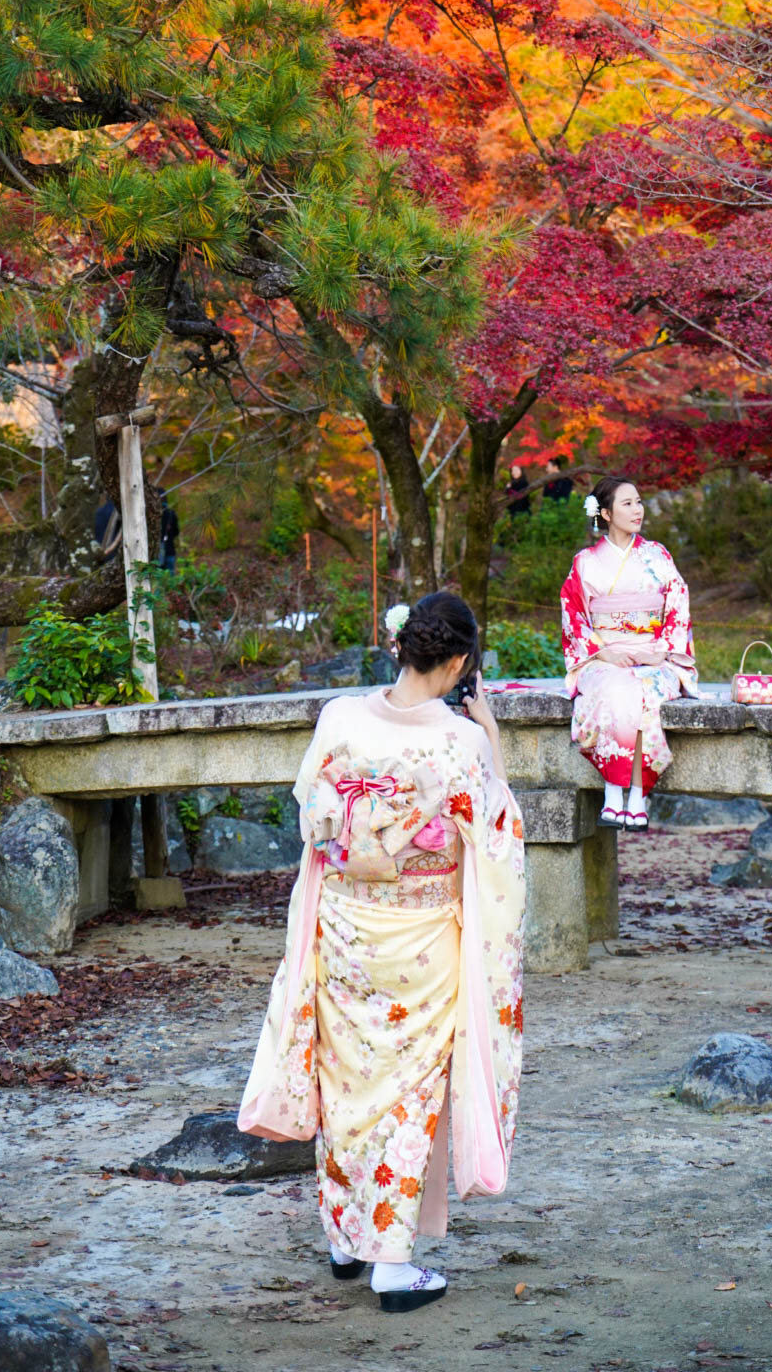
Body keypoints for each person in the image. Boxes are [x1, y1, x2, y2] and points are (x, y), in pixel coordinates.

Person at [238, 592, 525, 1314]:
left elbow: (313, 817)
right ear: (459, 662)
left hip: (344, 928)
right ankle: (392, 1263)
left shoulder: (340, 717)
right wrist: (489, 731)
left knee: (345, 1080)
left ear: (400, 646)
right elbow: (497, 835)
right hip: (422, 940)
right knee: (408, 1090)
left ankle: (345, 1240)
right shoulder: (460, 742)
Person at [560, 475, 698, 831]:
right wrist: (602, 654)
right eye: (627, 504)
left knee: (645, 691)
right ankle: (614, 791)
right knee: (616, 688)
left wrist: (663, 651)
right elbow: (573, 615)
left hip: (653, 655)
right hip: (604, 656)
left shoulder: (658, 555)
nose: (638, 510)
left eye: (639, 502)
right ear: (604, 513)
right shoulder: (586, 561)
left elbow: (678, 607)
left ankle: (634, 794)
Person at [157, 488, 179, 573]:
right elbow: (176, 532)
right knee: (170, 580)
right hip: (170, 549)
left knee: (158, 579)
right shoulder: (171, 513)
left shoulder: (152, 514)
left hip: (157, 553)